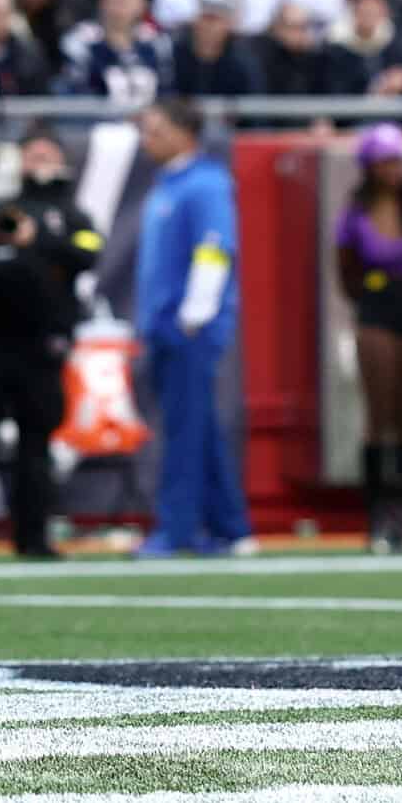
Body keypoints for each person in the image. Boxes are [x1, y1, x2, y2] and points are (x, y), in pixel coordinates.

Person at [0, 130, 103, 558]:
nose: (38, 163)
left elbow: (89, 254)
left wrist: (38, 240)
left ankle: (33, 538)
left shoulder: (72, 215)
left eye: (47, 154)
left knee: (36, 446)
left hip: (41, 346)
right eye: (31, 155)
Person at [131, 98, 250, 557]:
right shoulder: (168, 184)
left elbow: (215, 248)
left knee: (183, 432)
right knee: (198, 428)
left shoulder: (204, 184)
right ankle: (228, 526)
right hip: (163, 324)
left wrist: (196, 313)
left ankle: (177, 528)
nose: (147, 139)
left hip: (188, 327)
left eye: (155, 130)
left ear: (185, 133)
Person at [334, 123, 402, 552]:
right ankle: (377, 516)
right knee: (378, 416)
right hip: (376, 306)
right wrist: (366, 300)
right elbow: (344, 271)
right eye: (384, 162)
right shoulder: (355, 212)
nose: (393, 169)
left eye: (397, 160)